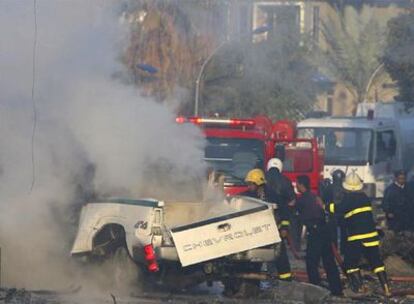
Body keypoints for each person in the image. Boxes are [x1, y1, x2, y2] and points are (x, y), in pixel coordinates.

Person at [329, 172, 391, 297]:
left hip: (356, 237)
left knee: (350, 263)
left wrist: (324, 206)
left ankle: (359, 288)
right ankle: (386, 288)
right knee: (376, 262)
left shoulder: (348, 199)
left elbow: (338, 209)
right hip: (371, 236)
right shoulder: (365, 198)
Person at [241, 168, 293, 282]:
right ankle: (252, 283)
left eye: (251, 184)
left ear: (258, 183)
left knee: (280, 257)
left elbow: (284, 212)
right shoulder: (247, 196)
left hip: (274, 232)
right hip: (255, 233)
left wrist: (284, 228)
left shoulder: (272, 195)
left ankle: (286, 280)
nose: (249, 187)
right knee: (254, 258)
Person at [295, 175, 343, 296]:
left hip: (315, 232)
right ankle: (337, 289)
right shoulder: (315, 196)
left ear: (301, 185)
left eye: (297, 184)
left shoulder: (302, 199)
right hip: (325, 230)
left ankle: (315, 288)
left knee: (311, 261)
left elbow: (297, 214)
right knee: (329, 261)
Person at [265, 158, 298, 250]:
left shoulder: (262, 178)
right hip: (281, 214)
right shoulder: (285, 180)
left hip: (263, 213)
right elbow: (292, 200)